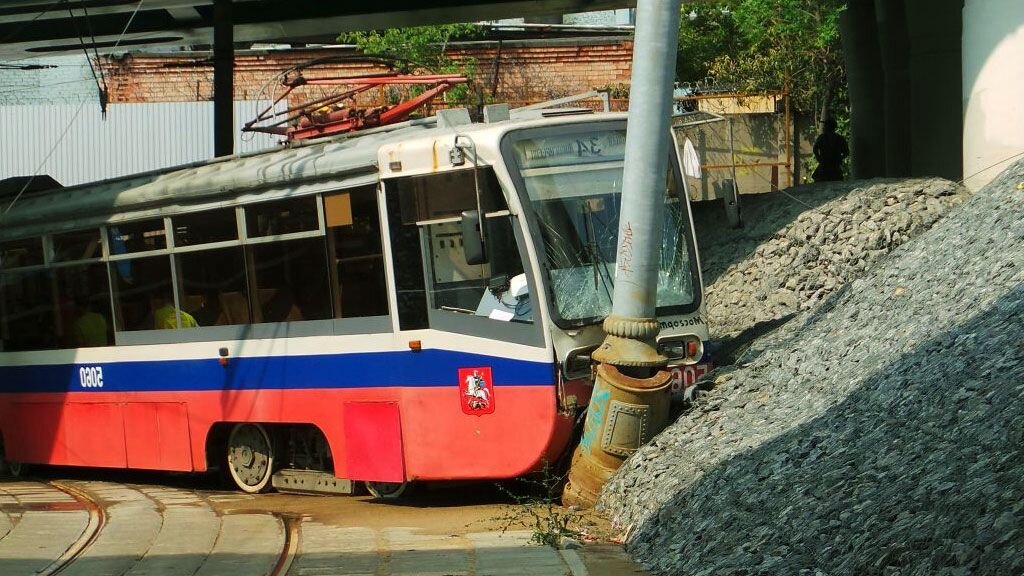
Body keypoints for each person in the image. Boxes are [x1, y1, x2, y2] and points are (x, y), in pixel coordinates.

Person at [812, 117, 849, 182]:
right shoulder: (839, 138)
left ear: (828, 127)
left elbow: (815, 149)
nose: (824, 127)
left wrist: (818, 157)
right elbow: (846, 152)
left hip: (829, 167)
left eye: (825, 125)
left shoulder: (823, 138)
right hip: (829, 166)